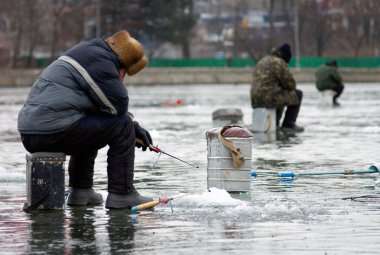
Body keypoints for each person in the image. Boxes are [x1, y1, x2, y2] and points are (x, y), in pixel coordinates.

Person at [17, 30, 155, 209]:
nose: (122, 78)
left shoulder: (87, 52)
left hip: (32, 134)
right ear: (121, 63)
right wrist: (132, 127)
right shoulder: (101, 61)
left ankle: (81, 191)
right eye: (124, 73)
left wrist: (133, 126)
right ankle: (122, 194)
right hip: (53, 130)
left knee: (91, 123)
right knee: (122, 126)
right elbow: (119, 104)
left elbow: (102, 110)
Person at [250, 43, 304, 132]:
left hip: (255, 100)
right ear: (285, 56)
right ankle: (288, 124)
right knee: (297, 93)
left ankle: (275, 124)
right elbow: (291, 84)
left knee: (278, 94)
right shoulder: (279, 62)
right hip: (269, 98)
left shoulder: (263, 60)